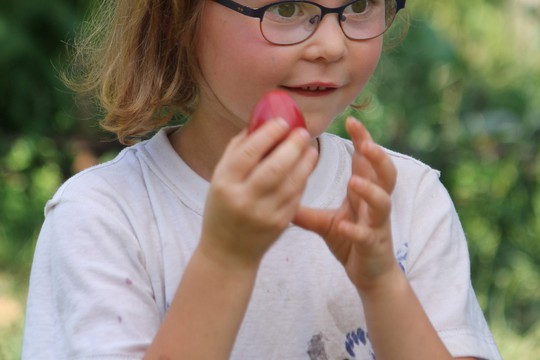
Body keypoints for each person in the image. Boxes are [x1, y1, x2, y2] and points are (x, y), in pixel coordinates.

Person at [22, 0, 502, 359]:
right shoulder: (104, 218)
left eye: (358, 6)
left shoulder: (405, 198)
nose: (332, 46)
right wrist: (226, 258)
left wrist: (383, 287)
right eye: (288, 8)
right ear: (178, 19)